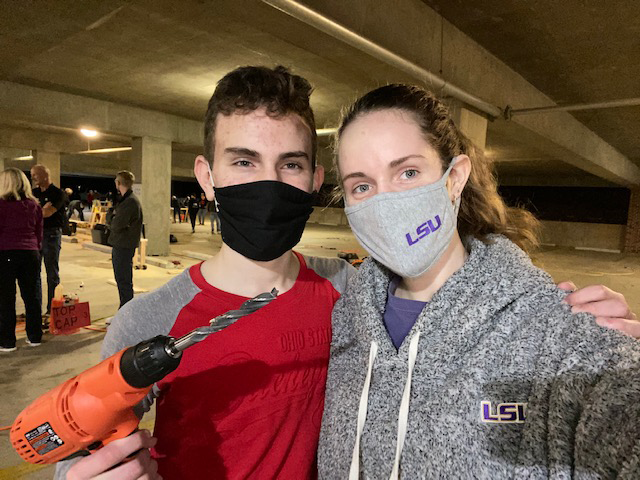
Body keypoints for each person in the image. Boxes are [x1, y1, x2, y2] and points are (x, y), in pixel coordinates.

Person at [58, 69, 636, 480]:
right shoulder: (149, 323)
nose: (269, 184)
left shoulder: (348, 291)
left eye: (290, 165)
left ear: (313, 181)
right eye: (243, 162)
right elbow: (79, 441)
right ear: (206, 177)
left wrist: (558, 308)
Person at [317, 84, 640, 479]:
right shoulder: (344, 321)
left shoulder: (553, 332)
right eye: (362, 186)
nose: (384, 203)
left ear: (455, 178)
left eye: (408, 172)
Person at [0, 168, 43, 352]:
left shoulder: (1, 205)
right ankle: (34, 337)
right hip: (31, 253)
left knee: (6, 299)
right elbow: (39, 231)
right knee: (31, 297)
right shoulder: (34, 205)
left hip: (6, 252)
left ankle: (7, 342)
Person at [31, 164, 66, 317]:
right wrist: (40, 209)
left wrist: (37, 210)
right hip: (36, 235)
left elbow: (47, 213)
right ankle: (36, 310)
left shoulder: (58, 193)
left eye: (35, 175)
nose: (33, 178)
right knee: (34, 273)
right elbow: (32, 213)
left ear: (45, 175)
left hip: (52, 235)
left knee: (52, 273)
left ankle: (52, 309)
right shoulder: (34, 193)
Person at [108, 171, 143, 309]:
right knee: (122, 279)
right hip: (123, 244)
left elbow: (116, 225)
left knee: (123, 280)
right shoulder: (127, 200)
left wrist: (110, 217)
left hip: (123, 245)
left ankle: (126, 311)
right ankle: (125, 309)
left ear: (118, 183)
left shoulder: (129, 202)